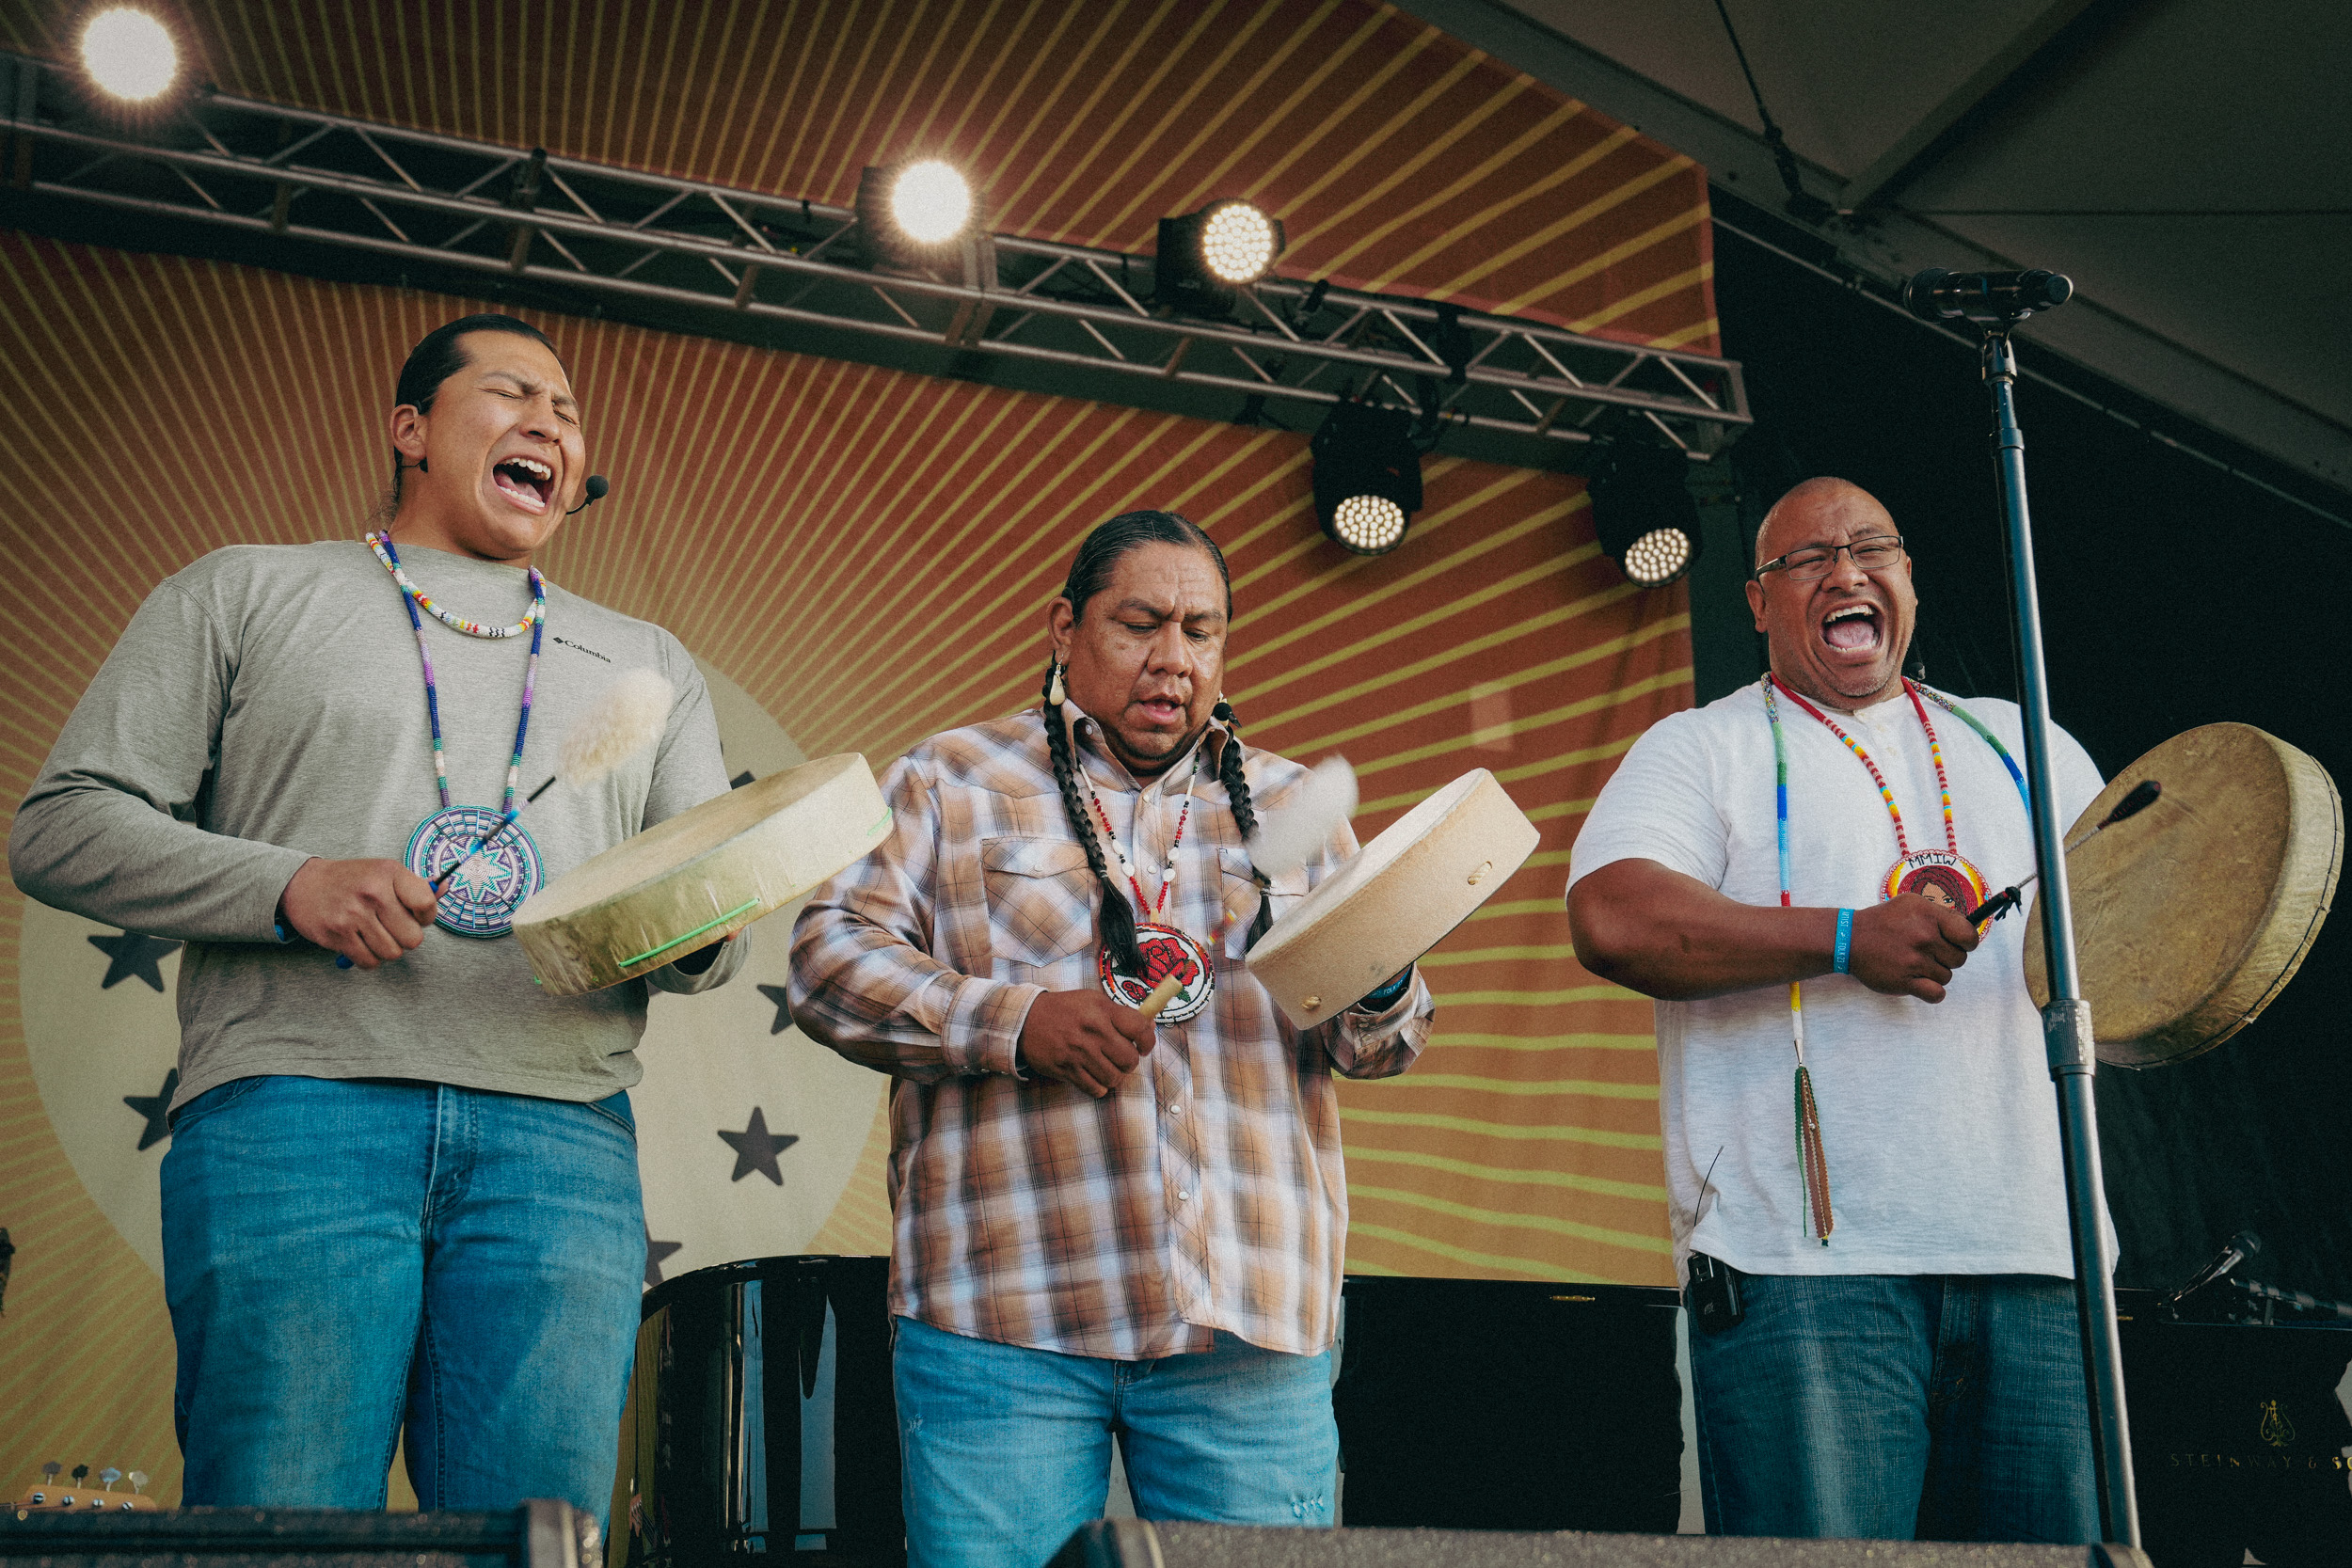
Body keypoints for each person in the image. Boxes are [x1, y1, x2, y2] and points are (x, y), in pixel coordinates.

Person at [10, 313, 743, 1519]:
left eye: (567, 412)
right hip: (294, 1111)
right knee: (281, 1517)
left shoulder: (648, 661)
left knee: (538, 1538)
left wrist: (703, 919)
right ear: (410, 427)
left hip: (561, 1137)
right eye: (513, 393)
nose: (550, 423)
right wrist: (288, 886)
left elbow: (703, 925)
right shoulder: (247, 589)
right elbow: (61, 824)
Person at [788, 510, 1433, 1568]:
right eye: (1140, 624)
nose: (1175, 658)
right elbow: (826, 961)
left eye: (1201, 631)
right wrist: (1015, 1022)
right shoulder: (950, 778)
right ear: (1064, 628)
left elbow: (1378, 1046)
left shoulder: (1289, 805)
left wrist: (1387, 970)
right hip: (1004, 1315)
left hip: (1248, 1326)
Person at [1565, 477, 2108, 1544]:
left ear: (1908, 579)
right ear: (1757, 602)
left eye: (1871, 549)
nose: (1845, 572)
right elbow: (1613, 917)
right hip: (1804, 1276)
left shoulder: (2024, 743)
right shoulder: (1701, 745)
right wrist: (1847, 939)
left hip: (2040, 1259)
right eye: (1807, 559)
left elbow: (2131, 929)